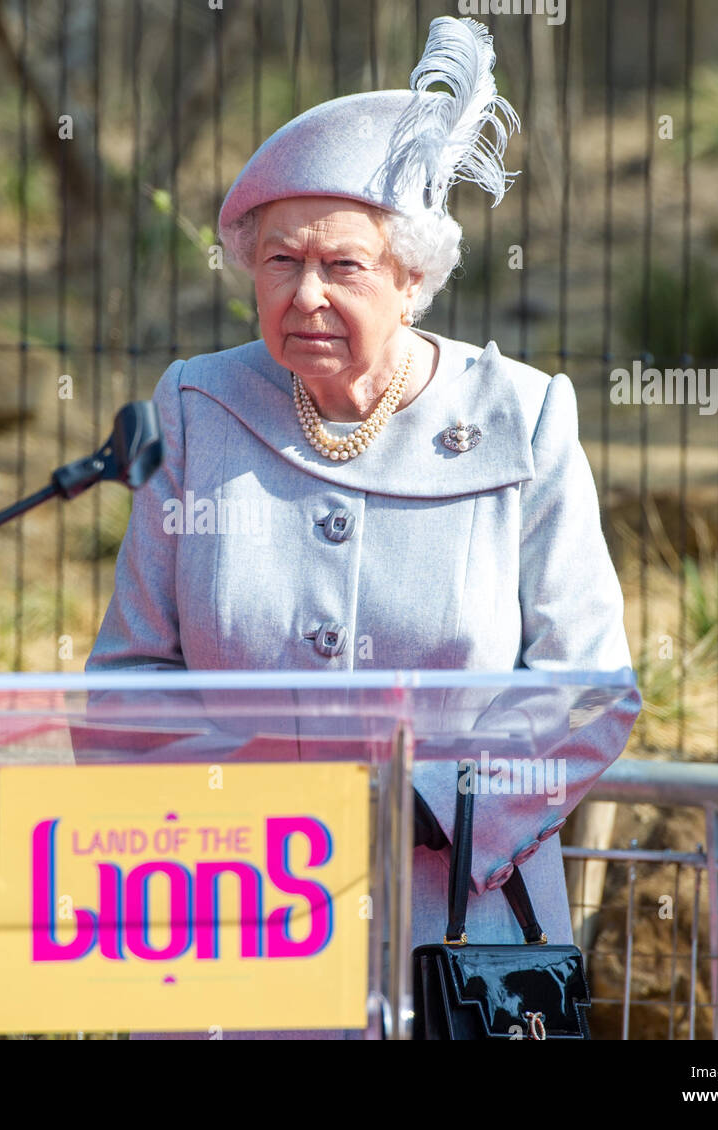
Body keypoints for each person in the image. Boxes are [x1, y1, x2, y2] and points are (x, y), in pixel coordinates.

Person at [86, 15, 641, 1035]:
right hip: (233, 931)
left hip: (454, 938)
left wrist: (436, 806)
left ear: (411, 275)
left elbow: (589, 690)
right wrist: (219, 823)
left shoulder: (520, 419)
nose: (304, 294)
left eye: (342, 265)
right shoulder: (195, 410)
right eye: (278, 261)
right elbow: (125, 678)